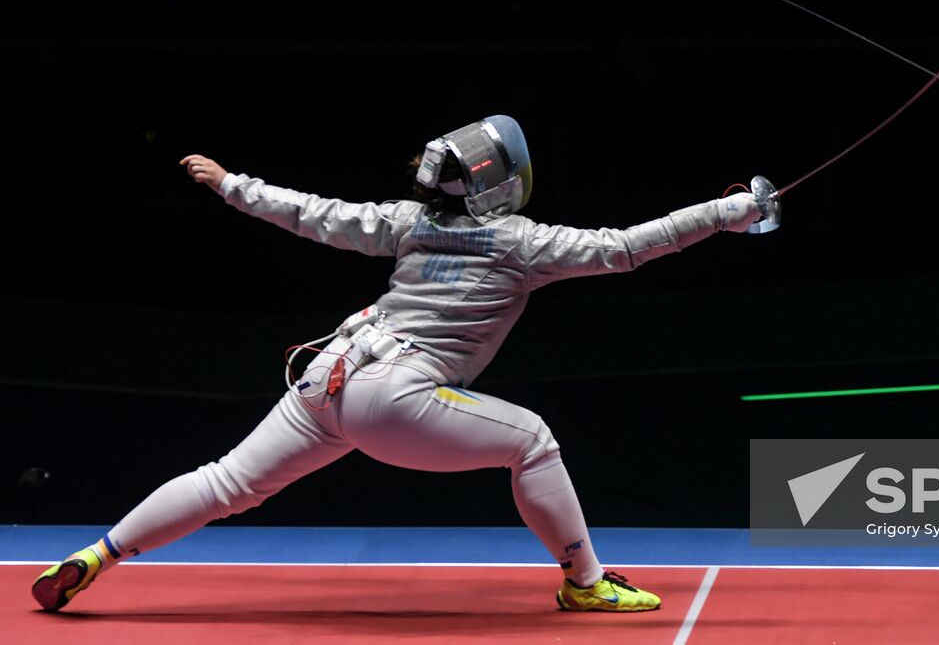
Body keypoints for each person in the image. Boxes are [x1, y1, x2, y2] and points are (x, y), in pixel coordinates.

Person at [32, 114, 770, 614]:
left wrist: (232, 186)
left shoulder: (407, 221)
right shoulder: (521, 242)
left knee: (227, 481)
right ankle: (584, 583)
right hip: (394, 394)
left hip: (331, 374)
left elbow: (312, 214)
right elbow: (627, 245)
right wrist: (728, 211)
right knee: (533, 440)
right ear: (499, 182)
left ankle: (98, 555)